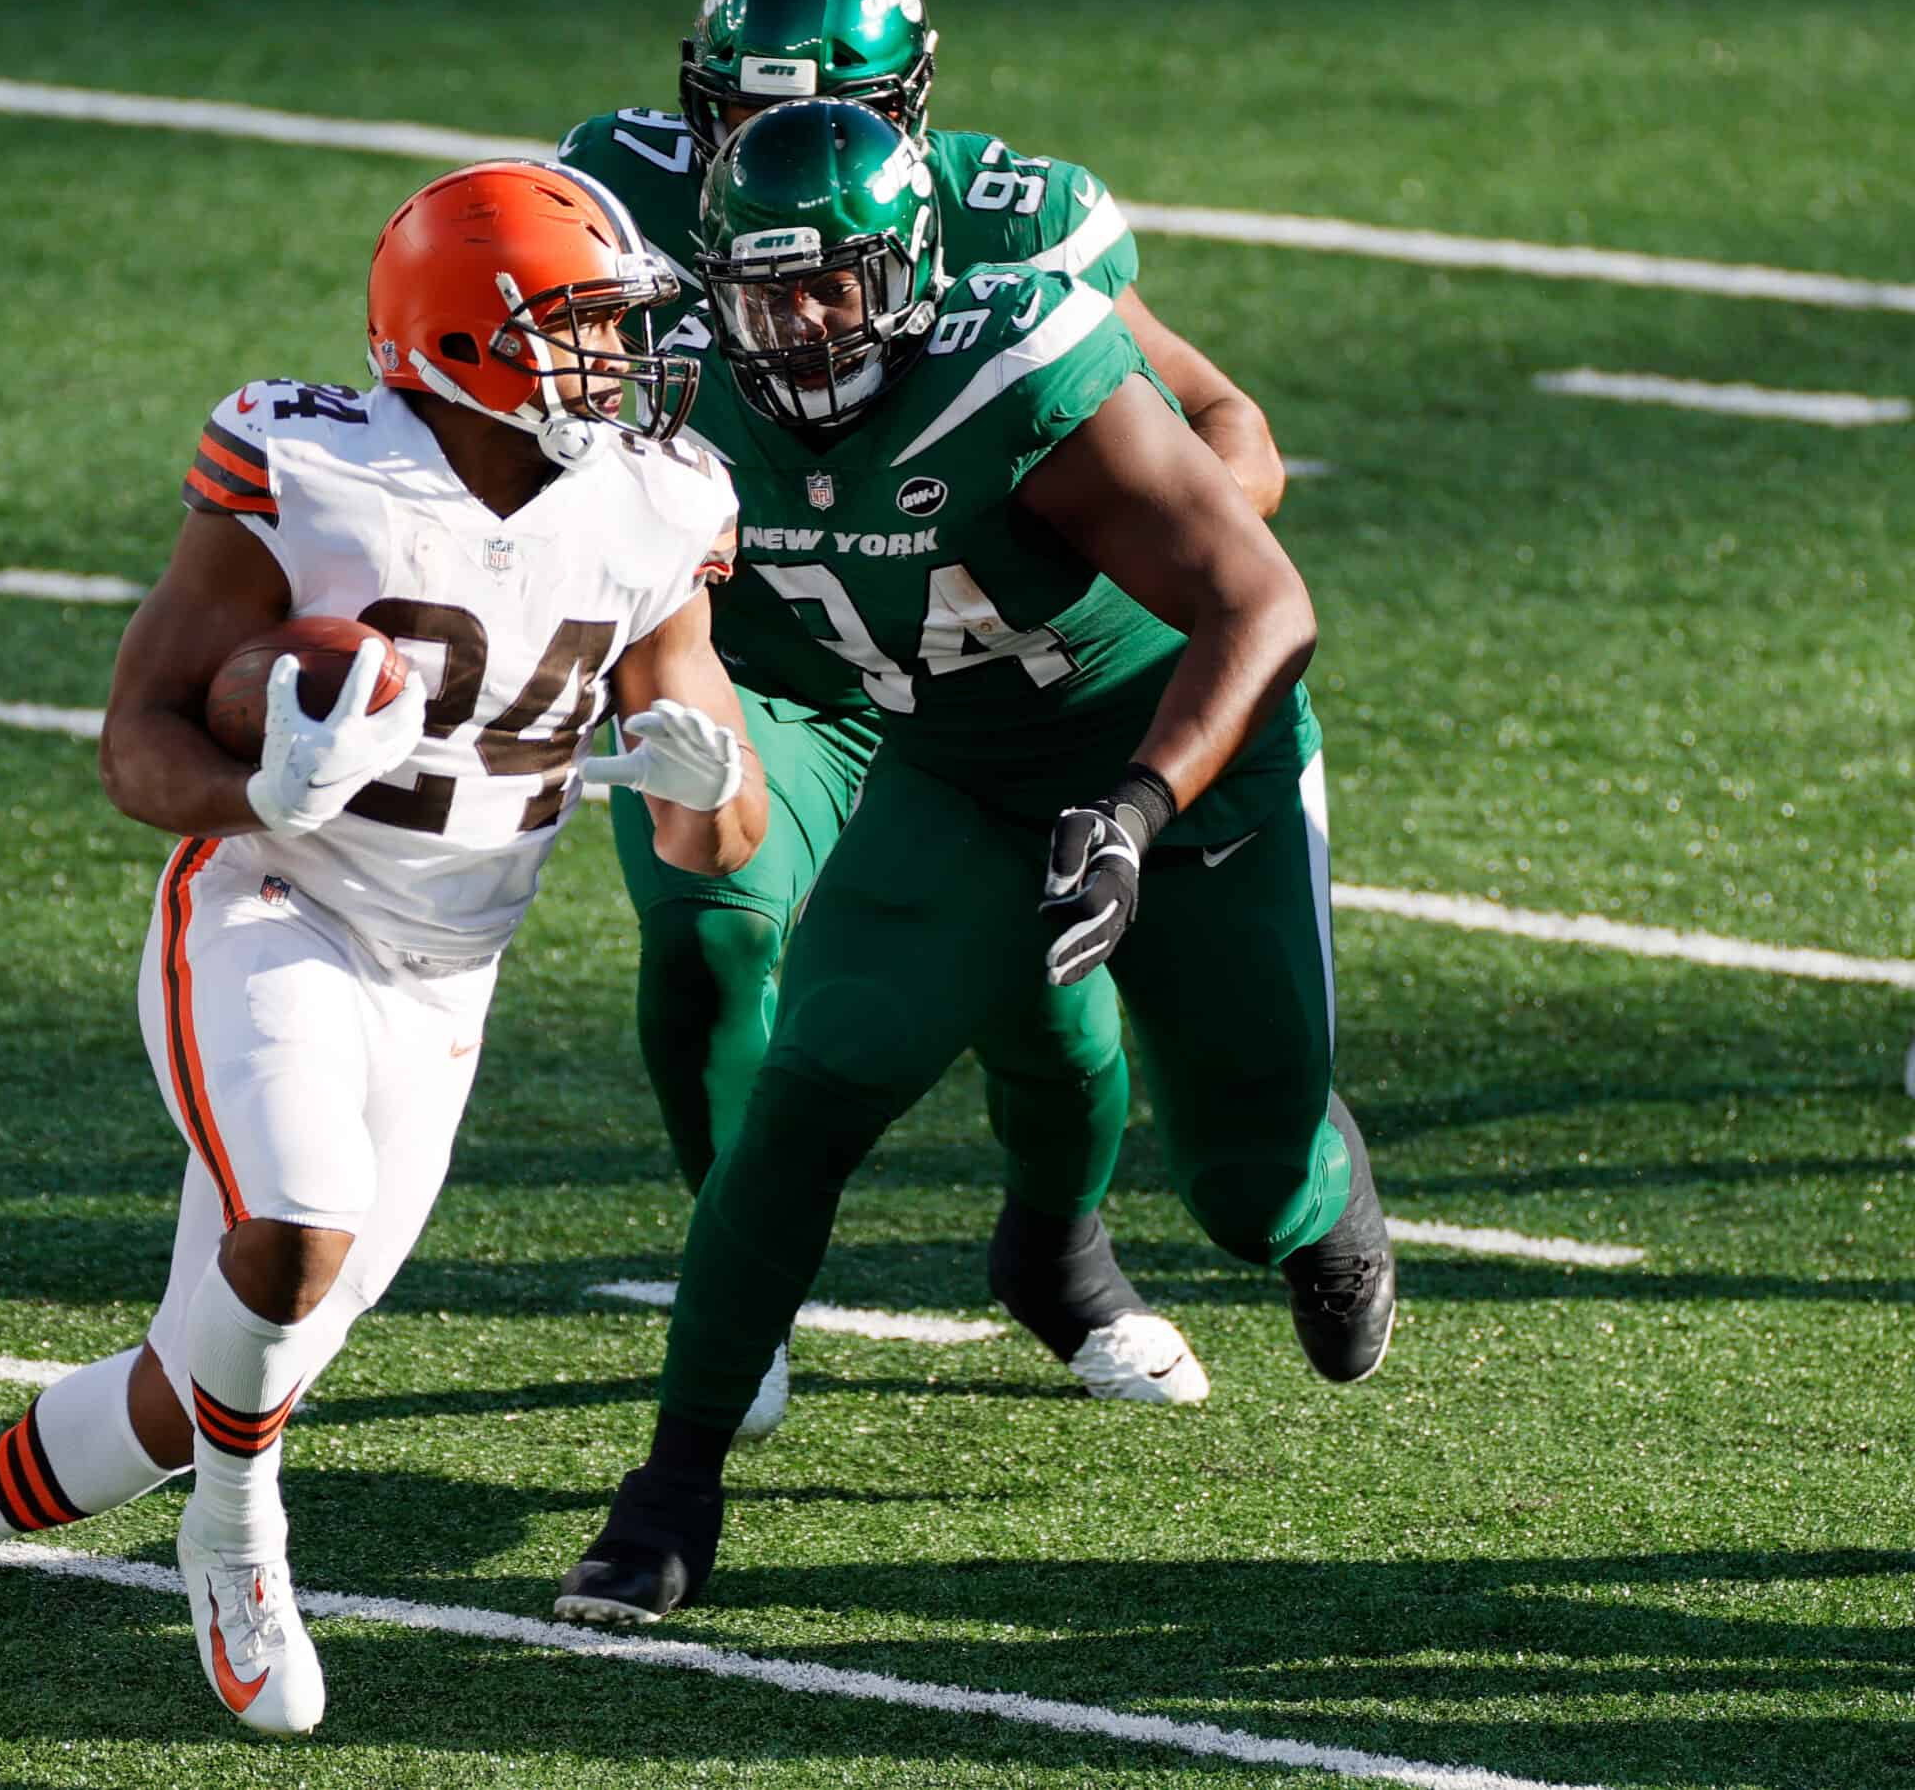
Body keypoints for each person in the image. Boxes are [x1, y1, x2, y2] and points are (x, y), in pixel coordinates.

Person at [0, 159, 767, 1735]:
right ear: (469, 344)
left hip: (449, 976)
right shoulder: (318, 471)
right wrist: (257, 788)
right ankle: (240, 1536)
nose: (624, 363)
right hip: (274, 904)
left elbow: (718, 835)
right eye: (585, 328)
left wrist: (710, 787)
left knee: (199, 1378)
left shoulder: (661, 498)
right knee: (297, 1225)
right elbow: (137, 743)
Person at [553, 100, 1395, 1627]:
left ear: (916, 273)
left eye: (835, 286)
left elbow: (1263, 608)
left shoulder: (1019, 366)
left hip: (1186, 765)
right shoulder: (688, 414)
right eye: (762, 290)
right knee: (815, 1086)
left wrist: (1139, 811)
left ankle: (1314, 1173)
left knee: (1242, 1183)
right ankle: (670, 1488)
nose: (800, 326)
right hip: (955, 773)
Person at [559, 0, 1287, 1430]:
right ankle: (736, 1288)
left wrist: (1147, 554)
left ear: (910, 115)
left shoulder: (1007, 223)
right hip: (764, 655)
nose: (770, 165)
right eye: (734, 121)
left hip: (979, 656)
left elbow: (1227, 426)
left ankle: (1061, 1251)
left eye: (809, 116)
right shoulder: (615, 197)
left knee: (1049, 996)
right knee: (710, 923)